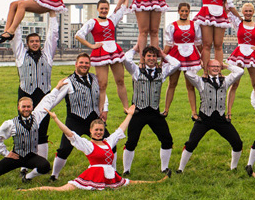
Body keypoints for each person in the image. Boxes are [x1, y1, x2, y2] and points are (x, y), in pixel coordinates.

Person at [22, 105, 171, 191]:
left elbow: (120, 130)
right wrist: (56, 119)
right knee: (61, 190)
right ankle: (26, 191)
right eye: (96, 130)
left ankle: (158, 182)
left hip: (110, 174)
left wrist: (130, 115)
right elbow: (70, 133)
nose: (99, 132)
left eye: (101, 130)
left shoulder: (108, 142)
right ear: (91, 131)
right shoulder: (87, 145)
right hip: (92, 174)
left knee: (129, 182)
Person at [0, 80, 68, 186]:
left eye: (28, 107)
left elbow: (47, 101)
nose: (26, 109)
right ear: (18, 107)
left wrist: (57, 88)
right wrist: (6, 153)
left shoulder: (37, 116)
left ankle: (27, 177)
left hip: (31, 157)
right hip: (15, 157)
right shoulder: (10, 123)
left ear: (32, 107)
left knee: (45, 166)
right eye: (23, 107)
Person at [48, 53, 111, 181]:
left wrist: (105, 109)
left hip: (93, 120)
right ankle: (54, 175)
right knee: (65, 148)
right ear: (76, 64)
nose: (84, 65)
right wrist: (45, 108)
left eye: (86, 63)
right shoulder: (68, 82)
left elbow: (102, 94)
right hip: (75, 119)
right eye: (81, 63)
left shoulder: (95, 78)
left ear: (90, 65)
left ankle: (112, 171)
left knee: (110, 143)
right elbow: (55, 100)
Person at [177, 59, 244, 173]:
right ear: (208, 68)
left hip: (221, 119)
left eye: (217, 66)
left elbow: (240, 71)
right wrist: (200, 66)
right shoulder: (200, 81)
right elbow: (189, 74)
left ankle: (234, 167)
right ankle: (180, 169)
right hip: (204, 119)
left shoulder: (225, 80)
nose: (215, 68)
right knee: (191, 143)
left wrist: (226, 66)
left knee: (237, 142)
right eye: (212, 66)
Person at [11, 11, 59, 172]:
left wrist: (53, 15)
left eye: (37, 41)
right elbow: (15, 36)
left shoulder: (47, 54)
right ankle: (23, 167)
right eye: (32, 41)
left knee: (43, 129)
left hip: (44, 94)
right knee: (24, 130)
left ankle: (41, 166)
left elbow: (53, 36)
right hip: (26, 94)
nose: (35, 43)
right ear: (27, 43)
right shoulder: (20, 55)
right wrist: (17, 13)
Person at [122, 44, 180, 175]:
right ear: (144, 57)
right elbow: (126, 59)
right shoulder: (136, 70)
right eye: (149, 56)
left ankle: (164, 168)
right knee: (131, 141)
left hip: (154, 112)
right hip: (138, 112)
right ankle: (126, 170)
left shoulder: (162, 71)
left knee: (167, 139)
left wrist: (164, 55)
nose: (152, 58)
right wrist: (135, 49)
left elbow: (176, 64)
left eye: (154, 56)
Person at [75, 0, 129, 112]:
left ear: (108, 9)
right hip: (100, 53)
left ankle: (126, 108)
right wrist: (91, 46)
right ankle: (101, 110)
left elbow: (124, 6)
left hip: (114, 52)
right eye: (102, 8)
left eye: (106, 8)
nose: (104, 10)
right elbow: (78, 35)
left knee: (120, 80)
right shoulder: (92, 22)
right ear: (98, 9)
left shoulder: (112, 19)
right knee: (102, 84)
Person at [226, 3, 255, 122]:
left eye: (250, 11)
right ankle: (228, 112)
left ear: (253, 12)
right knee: (235, 84)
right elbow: (228, 10)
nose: (248, 13)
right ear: (242, 12)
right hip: (239, 54)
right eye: (245, 11)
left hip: (252, 54)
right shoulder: (238, 23)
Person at [163, 2, 202, 118]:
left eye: (186, 11)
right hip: (176, 55)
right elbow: (168, 44)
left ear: (189, 12)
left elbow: (199, 43)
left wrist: (205, 58)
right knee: (172, 83)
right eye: (182, 11)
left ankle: (194, 112)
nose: (184, 13)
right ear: (178, 11)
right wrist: (163, 58)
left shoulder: (195, 25)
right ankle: (165, 110)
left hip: (191, 56)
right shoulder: (172, 26)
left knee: (190, 85)